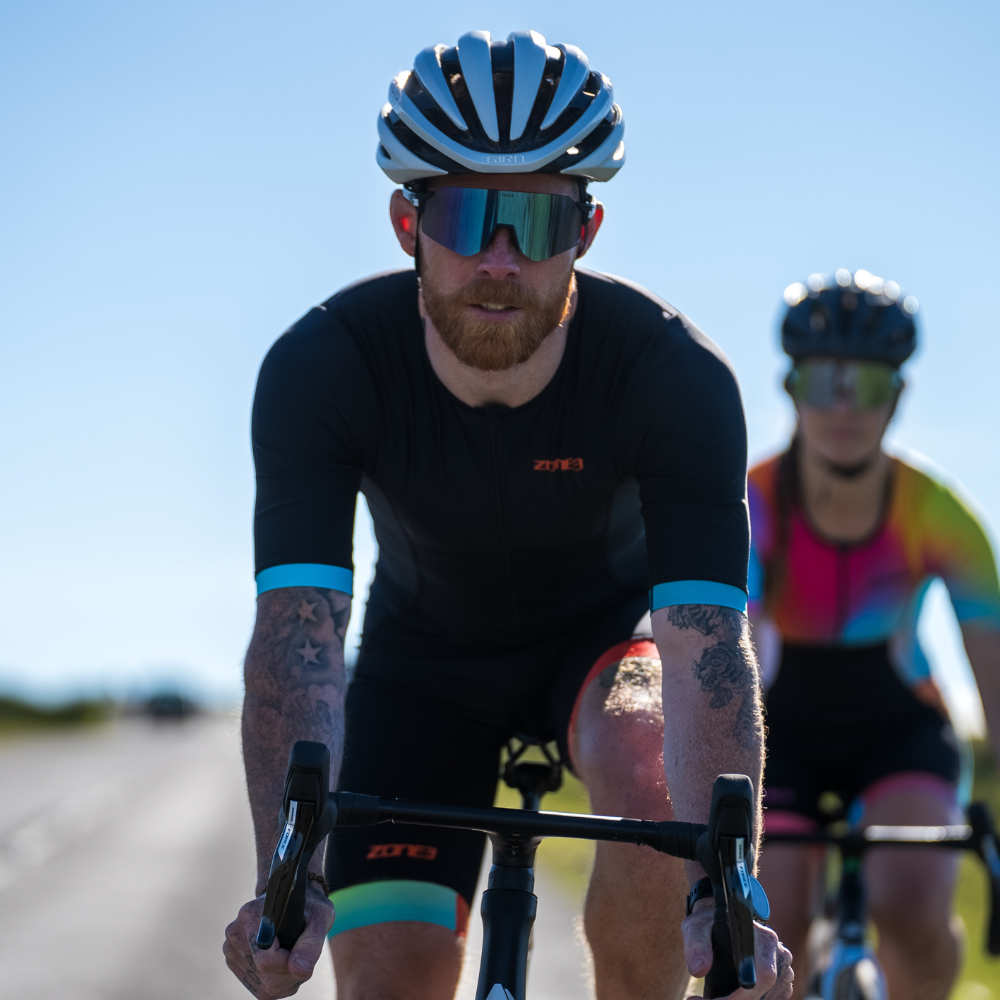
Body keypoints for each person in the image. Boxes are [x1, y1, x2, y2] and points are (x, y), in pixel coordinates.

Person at [224, 30, 792, 1000]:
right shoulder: (322, 367)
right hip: (421, 669)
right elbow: (299, 634)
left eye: (535, 224)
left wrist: (723, 889)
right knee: (389, 978)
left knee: (650, 778)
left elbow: (704, 648)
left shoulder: (675, 377)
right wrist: (292, 874)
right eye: (464, 215)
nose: (498, 257)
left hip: (603, 654)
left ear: (587, 231)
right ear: (408, 223)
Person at [751, 270, 1000, 1000]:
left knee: (915, 908)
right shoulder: (753, 503)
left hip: (899, 733)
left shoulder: (938, 511)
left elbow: (990, 665)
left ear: (897, 397)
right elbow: (719, 637)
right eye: (820, 382)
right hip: (779, 731)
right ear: (790, 388)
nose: (842, 408)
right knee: (770, 932)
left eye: (866, 386)